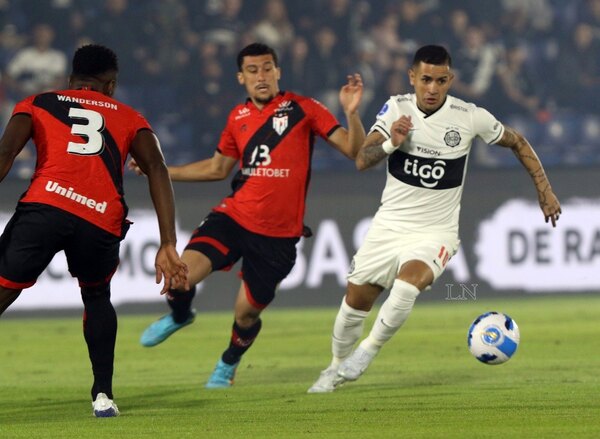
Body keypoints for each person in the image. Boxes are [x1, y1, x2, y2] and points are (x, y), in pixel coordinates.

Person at [307, 44, 561, 393]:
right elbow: (362, 160)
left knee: (407, 284)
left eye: (440, 81)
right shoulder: (396, 107)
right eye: (425, 79)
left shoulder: (469, 116)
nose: (432, 88)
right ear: (412, 77)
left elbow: (518, 142)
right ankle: (334, 367)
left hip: (435, 232)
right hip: (389, 226)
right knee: (354, 305)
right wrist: (390, 144)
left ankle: (367, 351)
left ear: (450, 80)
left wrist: (544, 191)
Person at [131, 42, 365, 389]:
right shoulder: (237, 117)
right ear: (241, 77)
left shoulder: (305, 109)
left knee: (246, 313)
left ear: (278, 72)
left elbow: (353, 149)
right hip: (233, 217)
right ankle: (180, 315)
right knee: (179, 276)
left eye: (268, 68)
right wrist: (160, 171)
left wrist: (351, 113)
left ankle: (228, 362)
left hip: (278, 236)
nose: (262, 76)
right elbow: (216, 168)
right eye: (253, 70)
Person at [0, 44, 188, 416]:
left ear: (70, 80)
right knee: (97, 295)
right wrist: (168, 242)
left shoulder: (38, 102)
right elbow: (158, 168)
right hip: (99, 219)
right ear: (111, 86)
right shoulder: (130, 116)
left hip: (46, 207)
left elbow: (5, 155)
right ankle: (103, 395)